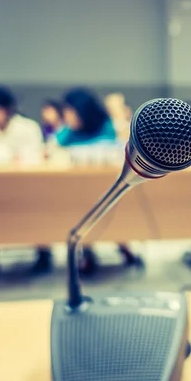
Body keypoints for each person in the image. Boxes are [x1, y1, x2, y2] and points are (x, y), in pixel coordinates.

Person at [56, 88, 141, 274]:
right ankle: (87, 251)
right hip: (78, 191)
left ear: (83, 110)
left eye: (70, 111)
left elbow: (122, 144)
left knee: (116, 209)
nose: (67, 117)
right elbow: (53, 149)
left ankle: (123, 244)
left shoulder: (107, 126)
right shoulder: (67, 132)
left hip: (108, 187)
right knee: (82, 211)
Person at [0, 86, 52, 277]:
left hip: (26, 185)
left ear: (5, 109)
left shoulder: (27, 128)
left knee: (37, 208)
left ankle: (42, 252)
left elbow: (35, 157)